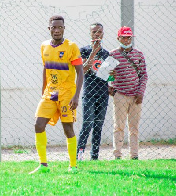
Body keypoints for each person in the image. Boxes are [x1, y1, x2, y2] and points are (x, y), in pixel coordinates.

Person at [30, 15, 84, 174]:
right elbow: (45, 69)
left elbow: (80, 73)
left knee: (67, 128)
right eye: (54, 27)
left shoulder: (72, 47)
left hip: (67, 93)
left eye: (60, 27)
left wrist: (76, 96)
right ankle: (43, 165)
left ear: (64, 28)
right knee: (38, 125)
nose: (57, 30)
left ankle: (73, 166)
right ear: (49, 29)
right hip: (50, 93)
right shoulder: (44, 46)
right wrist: (43, 90)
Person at [109, 26, 148, 160]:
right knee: (118, 126)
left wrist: (140, 92)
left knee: (134, 127)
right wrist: (110, 86)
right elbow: (106, 74)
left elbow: (143, 75)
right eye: (123, 37)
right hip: (120, 94)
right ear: (118, 38)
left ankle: (134, 155)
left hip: (135, 96)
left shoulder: (138, 54)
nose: (126, 40)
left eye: (128, 37)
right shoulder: (113, 54)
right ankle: (117, 155)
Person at [77, 23, 110, 161]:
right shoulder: (83, 50)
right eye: (94, 31)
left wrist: (111, 79)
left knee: (98, 125)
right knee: (87, 123)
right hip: (89, 92)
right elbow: (83, 70)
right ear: (90, 33)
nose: (97, 34)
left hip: (103, 93)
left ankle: (94, 157)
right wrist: (93, 53)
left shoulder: (107, 53)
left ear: (103, 33)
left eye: (99, 32)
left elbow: (107, 76)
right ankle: (78, 155)